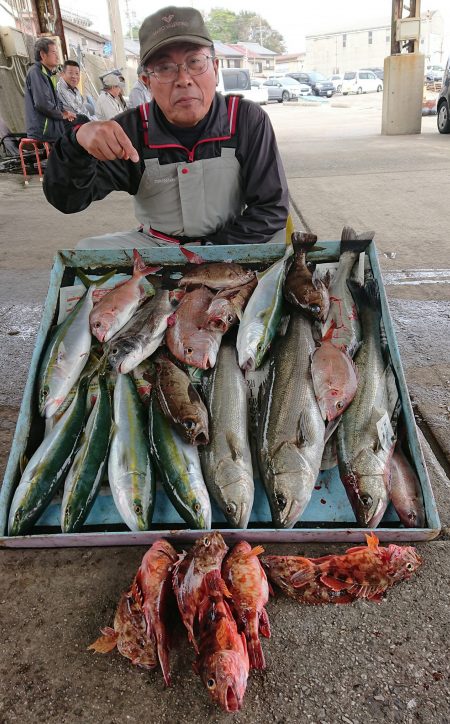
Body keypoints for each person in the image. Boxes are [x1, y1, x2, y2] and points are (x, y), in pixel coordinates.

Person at [43, 6, 288, 249]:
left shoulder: (245, 119)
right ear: (147, 81)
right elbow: (67, 200)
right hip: (157, 246)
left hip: (229, 244)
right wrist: (76, 145)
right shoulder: (129, 131)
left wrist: (208, 252)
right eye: (165, 68)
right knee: (88, 250)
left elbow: (270, 209)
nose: (183, 79)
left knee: (282, 241)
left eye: (195, 62)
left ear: (214, 69)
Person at [25, 38, 76, 142]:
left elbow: (56, 101)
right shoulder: (36, 72)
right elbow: (42, 104)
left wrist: (65, 112)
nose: (57, 56)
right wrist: (62, 115)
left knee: (79, 123)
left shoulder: (49, 74)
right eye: (53, 52)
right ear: (43, 54)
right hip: (43, 131)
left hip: (53, 129)